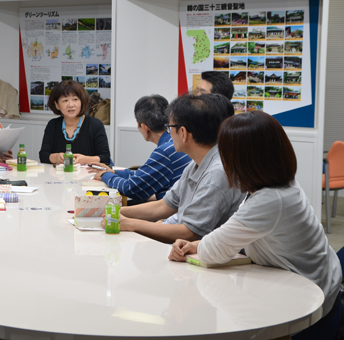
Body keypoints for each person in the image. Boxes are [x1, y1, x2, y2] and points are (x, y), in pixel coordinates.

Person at [169, 111, 342, 340]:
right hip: (310, 282)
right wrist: (195, 245)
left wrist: (201, 246)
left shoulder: (271, 199)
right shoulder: (276, 184)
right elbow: (232, 237)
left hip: (311, 303)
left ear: (243, 159)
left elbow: (214, 251)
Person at [110, 93, 245, 244]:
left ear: (183, 133)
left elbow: (189, 232)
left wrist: (130, 224)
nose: (169, 133)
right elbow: (164, 205)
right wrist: (115, 211)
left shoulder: (217, 173)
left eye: (170, 127)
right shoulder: (196, 163)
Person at [87, 95, 191, 203]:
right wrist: (113, 172)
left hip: (168, 215)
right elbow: (143, 176)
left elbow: (131, 189)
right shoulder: (172, 142)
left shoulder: (165, 152)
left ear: (144, 127)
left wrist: (106, 175)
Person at [39, 80, 110, 165]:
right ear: (57, 104)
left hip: (89, 175)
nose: (71, 105)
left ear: (82, 102)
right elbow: (43, 156)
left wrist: (84, 159)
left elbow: (105, 157)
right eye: (65, 100)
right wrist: (56, 157)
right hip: (59, 175)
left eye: (75, 99)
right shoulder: (53, 125)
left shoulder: (95, 125)